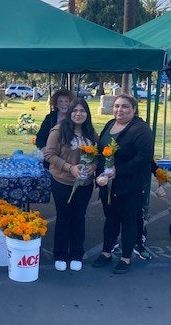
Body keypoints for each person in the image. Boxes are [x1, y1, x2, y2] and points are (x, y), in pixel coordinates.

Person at [92, 94, 154, 274]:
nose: (120, 110)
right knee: (110, 219)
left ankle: (126, 258)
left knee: (128, 221)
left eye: (125, 106)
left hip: (129, 186)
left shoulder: (140, 130)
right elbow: (100, 150)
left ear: (134, 109)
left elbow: (144, 158)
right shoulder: (110, 124)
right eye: (117, 106)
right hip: (107, 184)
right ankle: (106, 252)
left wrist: (119, 170)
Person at [44, 98, 98, 272]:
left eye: (82, 111)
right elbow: (50, 155)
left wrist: (93, 166)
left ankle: (76, 254)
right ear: (69, 113)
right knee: (64, 218)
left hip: (84, 183)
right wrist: (70, 168)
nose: (78, 114)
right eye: (75, 111)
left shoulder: (90, 132)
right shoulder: (58, 131)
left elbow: (98, 154)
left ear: (87, 114)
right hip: (63, 182)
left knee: (79, 218)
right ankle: (60, 254)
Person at [35, 88, 75, 169]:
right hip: (50, 160)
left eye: (66, 101)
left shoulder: (75, 118)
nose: (64, 104)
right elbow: (40, 138)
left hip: (70, 160)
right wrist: (44, 148)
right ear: (56, 104)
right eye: (60, 101)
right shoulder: (50, 118)